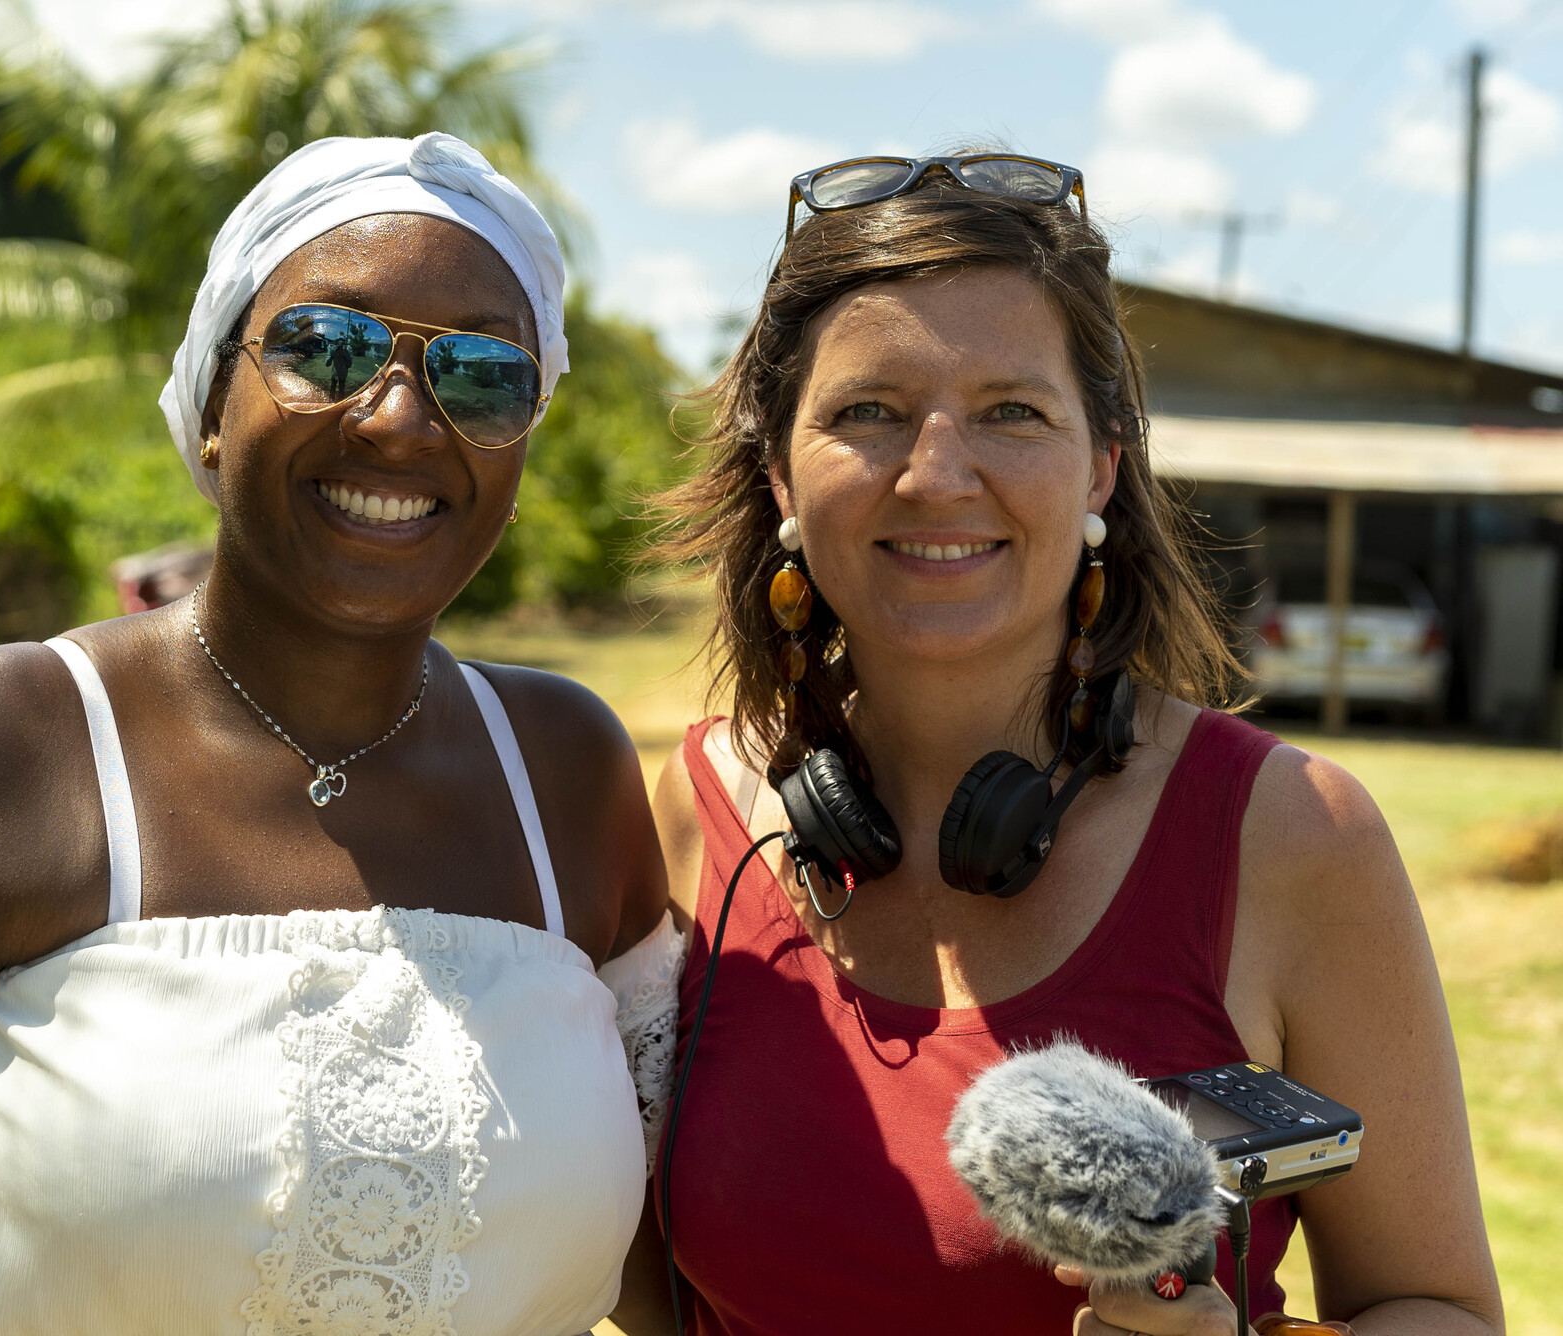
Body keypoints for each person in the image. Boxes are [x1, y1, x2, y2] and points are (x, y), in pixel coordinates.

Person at [0, 132, 679, 1336]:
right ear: (208, 402)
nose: (400, 420)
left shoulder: (562, 776)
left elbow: (684, 1267)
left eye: (481, 376)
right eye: (325, 347)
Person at [634, 154, 1504, 1336]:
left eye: (1011, 412)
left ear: (1100, 464)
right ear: (781, 472)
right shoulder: (684, 819)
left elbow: (1438, 1306)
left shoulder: (1294, 836)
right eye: (867, 412)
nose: (937, 473)